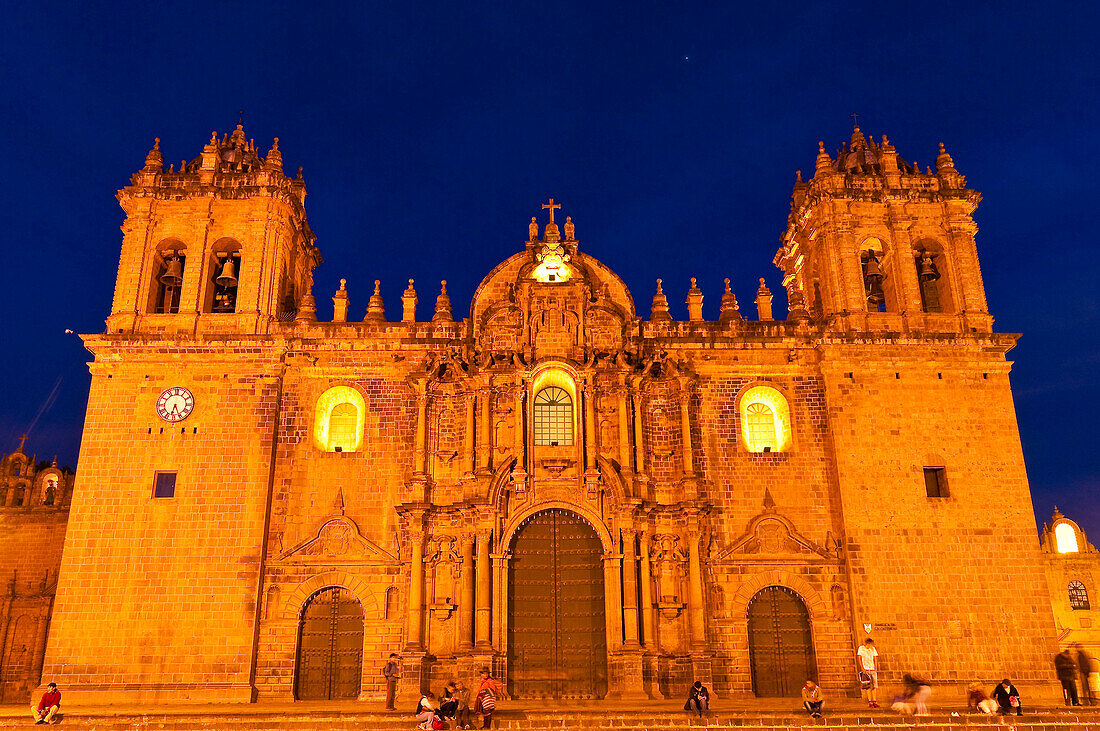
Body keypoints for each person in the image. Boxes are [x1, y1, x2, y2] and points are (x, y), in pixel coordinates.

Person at [857, 638, 879, 708]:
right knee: (868, 686)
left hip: (872, 669)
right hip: (866, 669)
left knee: (874, 686)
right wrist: (862, 668)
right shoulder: (861, 649)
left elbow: (875, 658)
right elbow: (859, 658)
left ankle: (875, 700)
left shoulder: (873, 649)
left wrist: (875, 668)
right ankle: (870, 701)